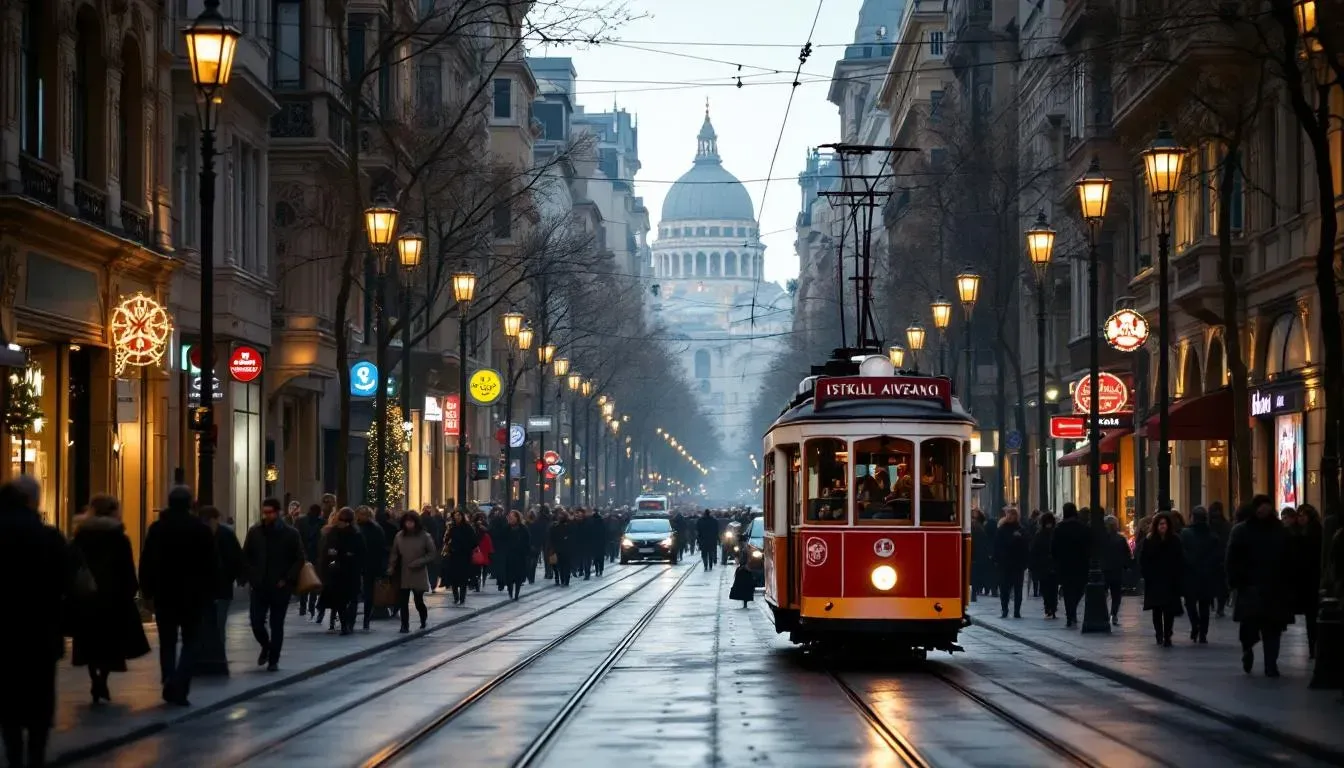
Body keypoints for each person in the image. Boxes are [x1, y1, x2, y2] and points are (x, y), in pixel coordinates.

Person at [0, 477, 72, 767]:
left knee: (8, 699)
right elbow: (68, 582)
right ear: (33, 501)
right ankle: (36, 756)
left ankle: (14, 753)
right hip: (41, 632)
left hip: (4, 632)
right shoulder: (49, 537)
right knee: (40, 699)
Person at [139, 485, 217, 705]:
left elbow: (147, 561)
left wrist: (147, 591)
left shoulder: (157, 529)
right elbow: (210, 564)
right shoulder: (200, 530)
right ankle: (180, 681)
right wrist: (211, 590)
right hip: (193, 595)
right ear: (191, 504)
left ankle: (169, 677)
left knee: (167, 641)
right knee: (192, 641)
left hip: (165, 594)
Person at [70, 495, 151, 704]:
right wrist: (133, 589)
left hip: (87, 597)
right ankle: (102, 680)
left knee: (88, 642)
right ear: (112, 511)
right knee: (109, 645)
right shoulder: (118, 536)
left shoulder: (81, 535)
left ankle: (94, 678)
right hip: (113, 598)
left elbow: (72, 564)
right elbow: (126, 567)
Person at [1226, 495, 1292, 677]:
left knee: (1273, 629)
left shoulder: (1280, 530)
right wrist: (1235, 580)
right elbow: (1232, 558)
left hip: (1275, 588)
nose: (1263, 510)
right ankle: (1248, 651)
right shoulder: (1241, 531)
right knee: (1248, 627)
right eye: (1260, 506)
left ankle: (1271, 664)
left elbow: (1289, 557)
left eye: (1266, 506)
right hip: (1250, 586)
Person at [242, 498, 304, 671]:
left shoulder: (290, 533)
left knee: (277, 625)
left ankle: (273, 660)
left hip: (280, 586)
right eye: (265, 512)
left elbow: (299, 558)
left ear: (278, 513)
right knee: (256, 622)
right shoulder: (255, 532)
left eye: (270, 512)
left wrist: (287, 579)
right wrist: (251, 576)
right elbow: (246, 556)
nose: (267, 516)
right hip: (260, 585)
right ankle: (266, 646)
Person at [197, 505, 244, 674]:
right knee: (213, 625)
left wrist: (235, 576)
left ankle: (215, 659)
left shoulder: (225, 535)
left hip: (220, 589)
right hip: (210, 589)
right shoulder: (220, 534)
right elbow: (237, 559)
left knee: (217, 624)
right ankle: (213, 660)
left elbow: (236, 559)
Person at [1140, 511, 1184, 647]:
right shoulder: (1149, 540)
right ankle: (1159, 633)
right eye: (1160, 524)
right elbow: (1143, 560)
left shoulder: (1175, 540)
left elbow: (1179, 559)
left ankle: (1167, 634)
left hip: (1170, 580)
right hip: (1155, 580)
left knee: (1168, 610)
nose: (1162, 526)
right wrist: (1147, 575)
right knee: (1157, 609)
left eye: (1164, 524)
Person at [1179, 506, 1221, 644]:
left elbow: (1181, 554)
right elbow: (1217, 556)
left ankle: (1195, 624)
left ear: (1193, 518)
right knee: (1205, 605)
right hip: (1206, 576)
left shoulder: (1185, 533)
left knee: (1190, 604)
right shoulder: (1212, 535)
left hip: (1190, 575)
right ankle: (1203, 632)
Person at [1286, 504, 1323, 658]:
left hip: (1311, 580)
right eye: (1299, 515)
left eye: (1303, 516)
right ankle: (1313, 646)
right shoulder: (1305, 532)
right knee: (1311, 616)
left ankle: (1313, 646)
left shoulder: (1311, 533)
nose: (1300, 518)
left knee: (1312, 616)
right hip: (1309, 580)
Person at [389, 511, 436, 633]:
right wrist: (391, 566)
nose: (409, 524)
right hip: (403, 572)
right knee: (403, 601)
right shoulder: (399, 536)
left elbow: (431, 554)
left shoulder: (424, 536)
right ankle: (404, 625)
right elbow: (394, 553)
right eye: (407, 522)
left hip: (418, 573)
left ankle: (423, 618)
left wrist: (419, 562)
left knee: (418, 600)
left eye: (411, 521)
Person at [322, 508, 365, 635]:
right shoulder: (334, 533)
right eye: (341, 520)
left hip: (350, 571)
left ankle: (348, 624)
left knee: (351, 599)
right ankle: (345, 624)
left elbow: (361, 553)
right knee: (342, 599)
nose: (342, 523)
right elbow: (328, 550)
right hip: (339, 571)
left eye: (344, 520)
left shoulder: (355, 534)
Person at [1052, 503, 1090, 628]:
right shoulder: (1082, 528)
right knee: (1079, 588)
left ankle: (1070, 614)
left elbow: (1054, 548)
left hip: (1064, 564)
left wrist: (1055, 562)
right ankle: (1072, 611)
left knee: (1068, 590)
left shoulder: (1059, 528)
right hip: (1080, 564)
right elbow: (1087, 547)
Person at [993, 508, 1029, 618]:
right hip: (1005, 564)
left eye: (1012, 514)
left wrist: (1025, 562)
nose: (1010, 516)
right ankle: (1005, 609)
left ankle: (1017, 611)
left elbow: (1026, 546)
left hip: (1017, 564)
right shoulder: (1001, 530)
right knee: (1004, 589)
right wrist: (996, 560)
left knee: (1018, 589)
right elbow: (997, 546)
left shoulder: (1021, 529)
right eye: (1008, 514)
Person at [1101, 515, 1132, 626]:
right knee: (1116, 594)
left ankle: (1103, 613)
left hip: (1104, 570)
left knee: (1103, 593)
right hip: (1117, 570)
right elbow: (1127, 554)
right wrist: (1127, 566)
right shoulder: (1120, 539)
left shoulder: (1101, 539)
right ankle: (1114, 614)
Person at [294, 503, 324, 618]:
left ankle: (305, 606)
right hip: (312, 556)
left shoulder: (301, 521)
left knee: (306, 580)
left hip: (308, 555)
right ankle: (309, 605)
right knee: (312, 581)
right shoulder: (320, 522)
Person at [444, 509, 477, 605]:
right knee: (453, 578)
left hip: (464, 557)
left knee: (463, 578)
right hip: (454, 555)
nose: (457, 517)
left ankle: (462, 597)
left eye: (459, 515)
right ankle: (455, 597)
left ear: (462, 516)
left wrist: (466, 548)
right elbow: (446, 539)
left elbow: (474, 541)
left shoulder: (467, 528)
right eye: (456, 515)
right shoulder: (452, 527)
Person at [1029, 513, 1058, 618]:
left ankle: (1051, 607)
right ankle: (1050, 607)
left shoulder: (1041, 534)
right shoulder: (1045, 534)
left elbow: (1033, 550)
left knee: (1049, 588)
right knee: (1049, 588)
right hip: (1047, 565)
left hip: (1047, 565)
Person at [501, 510, 532, 600]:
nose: (510, 518)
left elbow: (527, 542)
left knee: (518, 576)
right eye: (509, 517)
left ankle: (516, 594)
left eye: (512, 516)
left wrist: (525, 552)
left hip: (519, 556)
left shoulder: (523, 529)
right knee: (509, 576)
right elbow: (501, 540)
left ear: (517, 517)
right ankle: (510, 592)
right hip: (509, 556)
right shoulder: (506, 528)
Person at [1208, 501, 1232, 616]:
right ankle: (1220, 607)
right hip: (1221, 558)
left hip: (1211, 559)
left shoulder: (1208, 525)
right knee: (1221, 585)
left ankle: (1213, 604)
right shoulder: (1226, 525)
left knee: (1212, 584)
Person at [549, 510, 573, 586]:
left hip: (567, 549)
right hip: (559, 549)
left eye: (562, 516)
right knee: (561, 565)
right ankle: (563, 580)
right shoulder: (555, 526)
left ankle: (566, 580)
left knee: (566, 565)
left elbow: (573, 536)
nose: (560, 517)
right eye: (560, 516)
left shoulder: (570, 525)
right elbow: (552, 537)